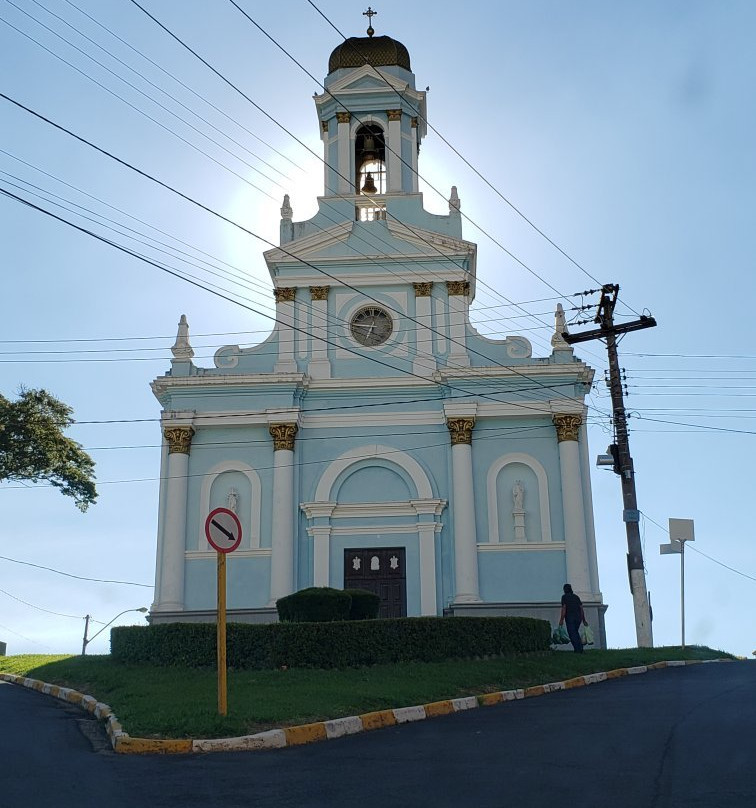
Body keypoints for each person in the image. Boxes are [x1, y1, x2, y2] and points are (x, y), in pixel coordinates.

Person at [559, 583, 588, 653]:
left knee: (572, 634)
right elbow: (581, 608)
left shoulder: (564, 597)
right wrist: (583, 619)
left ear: (564, 590)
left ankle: (578, 649)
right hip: (578, 618)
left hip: (570, 617)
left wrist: (561, 619)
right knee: (575, 633)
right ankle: (579, 649)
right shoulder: (576, 597)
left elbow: (564, 608)